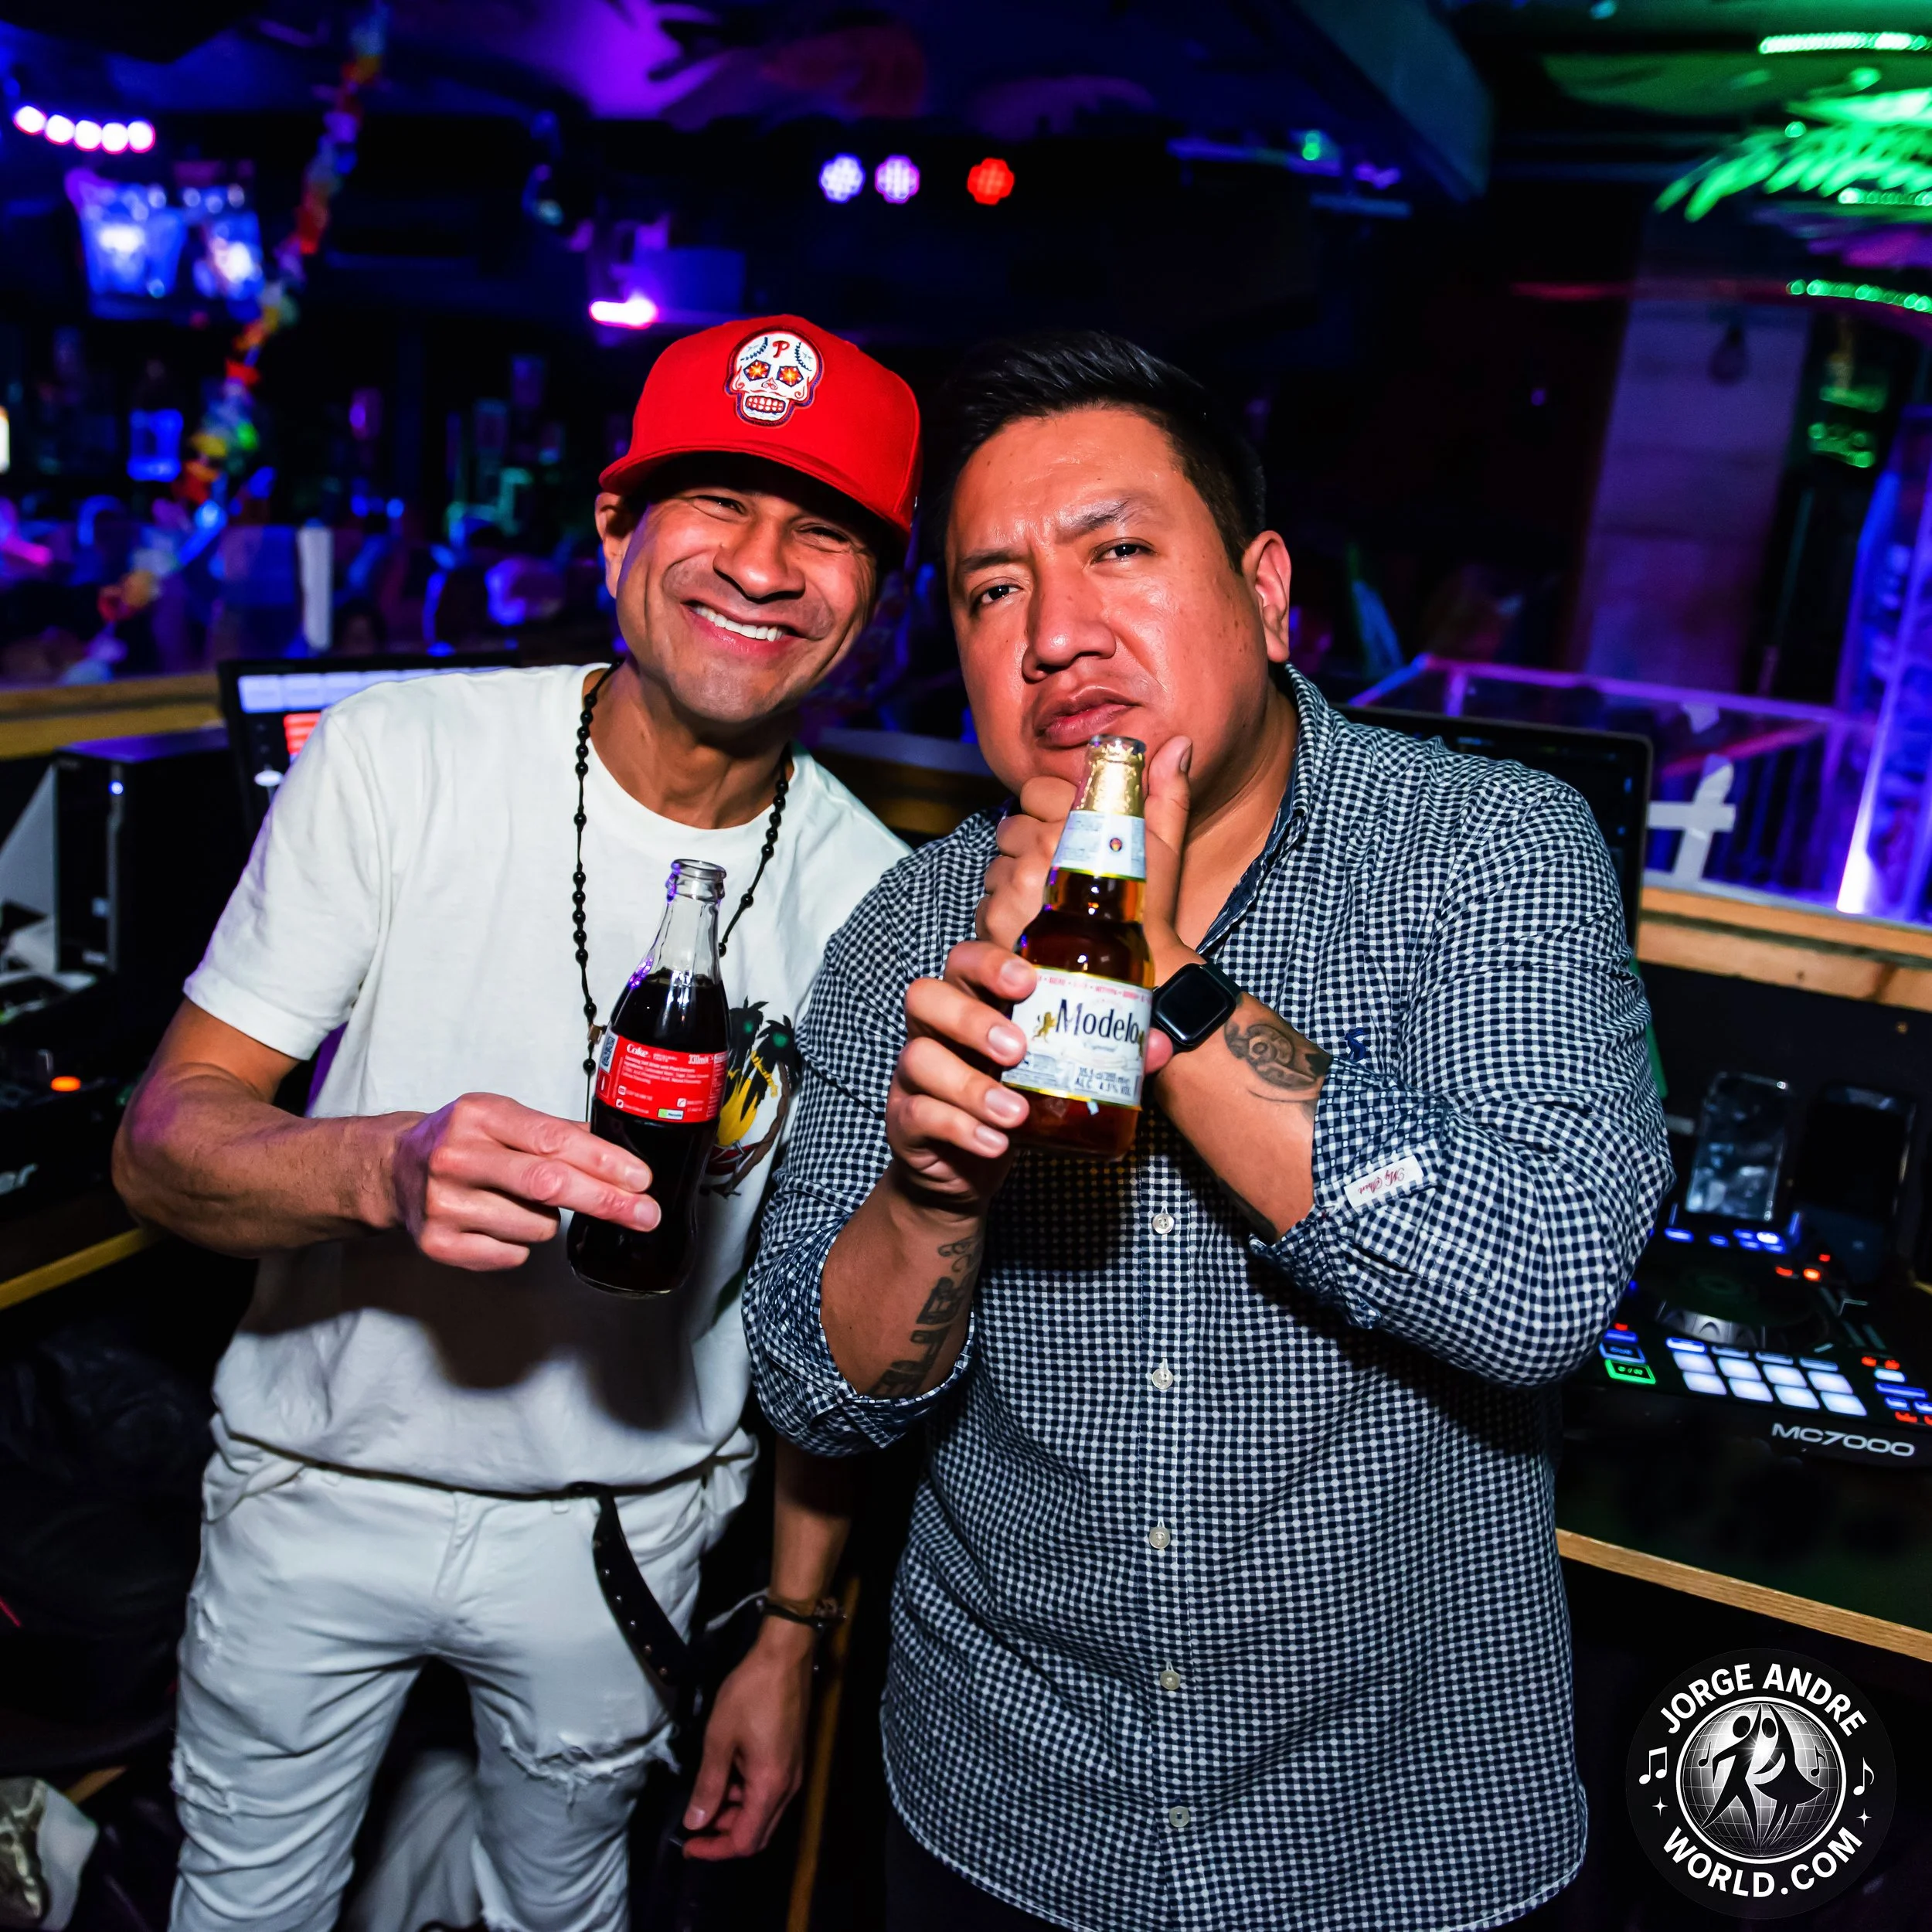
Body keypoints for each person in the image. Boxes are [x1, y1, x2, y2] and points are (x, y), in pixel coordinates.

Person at [743, 332, 1672, 1931]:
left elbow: (1539, 1283)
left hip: (1392, 1831)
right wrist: (928, 1186)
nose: (1054, 636)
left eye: (1116, 550)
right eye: (989, 590)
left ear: (1261, 588)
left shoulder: (1481, 849)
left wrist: (1144, 968)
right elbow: (811, 1384)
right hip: (1005, 1814)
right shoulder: (907, 923)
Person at [113, 313, 919, 1932]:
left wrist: (787, 1629)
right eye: (714, 501)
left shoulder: (875, 902)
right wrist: (374, 1163)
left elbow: (824, 1313)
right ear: (616, 527)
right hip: (315, 1482)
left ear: (870, 600)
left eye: (820, 527)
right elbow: (160, 1144)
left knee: (549, 1911)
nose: (763, 564)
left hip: (620, 1532)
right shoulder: (395, 757)